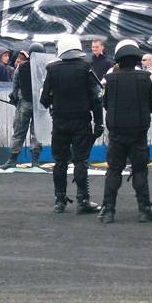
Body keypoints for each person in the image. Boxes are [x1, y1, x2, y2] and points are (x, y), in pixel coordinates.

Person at [99, 40, 152, 224]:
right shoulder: (145, 78)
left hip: (117, 133)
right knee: (140, 170)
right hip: (138, 132)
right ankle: (144, 210)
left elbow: (106, 104)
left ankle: (108, 210)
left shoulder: (110, 80)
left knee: (113, 170)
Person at [40, 34, 103, 214]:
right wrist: (99, 123)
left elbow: (44, 100)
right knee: (81, 161)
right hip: (82, 122)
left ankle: (60, 200)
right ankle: (83, 200)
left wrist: (55, 101)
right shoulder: (86, 67)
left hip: (59, 122)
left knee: (60, 161)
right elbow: (96, 98)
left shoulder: (52, 69)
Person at [1, 43, 44, 169]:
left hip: (24, 103)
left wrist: (14, 98)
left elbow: (15, 85)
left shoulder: (21, 67)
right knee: (37, 134)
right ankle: (35, 161)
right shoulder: (45, 67)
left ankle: (12, 160)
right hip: (39, 104)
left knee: (19, 132)